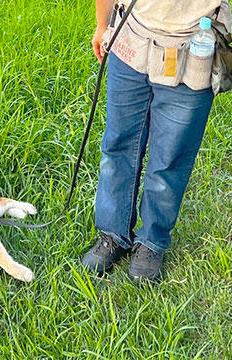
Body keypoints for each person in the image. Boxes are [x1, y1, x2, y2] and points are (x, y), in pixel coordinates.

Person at [82, 0, 230, 283]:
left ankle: (151, 242)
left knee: (170, 157)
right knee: (117, 146)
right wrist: (103, 26)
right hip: (131, 34)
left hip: (193, 41)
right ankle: (113, 234)